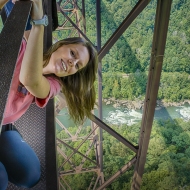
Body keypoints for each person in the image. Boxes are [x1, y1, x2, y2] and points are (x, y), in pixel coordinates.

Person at [0, 0, 98, 189]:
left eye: (77, 66)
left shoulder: (54, 84)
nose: (72, 63)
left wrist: (39, 23)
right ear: (60, 45)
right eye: (72, 54)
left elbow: (30, 79)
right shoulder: (19, 47)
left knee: (30, 174)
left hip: (3, 124)